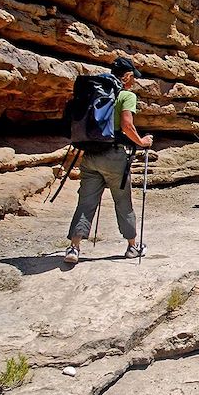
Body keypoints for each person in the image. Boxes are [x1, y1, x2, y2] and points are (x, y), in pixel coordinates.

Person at [64, 57, 153, 264]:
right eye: (133, 78)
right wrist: (142, 141)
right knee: (123, 202)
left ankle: (74, 248)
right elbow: (126, 125)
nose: (134, 82)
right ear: (128, 76)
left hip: (90, 154)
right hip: (115, 156)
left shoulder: (94, 92)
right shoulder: (126, 95)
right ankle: (132, 247)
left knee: (85, 202)